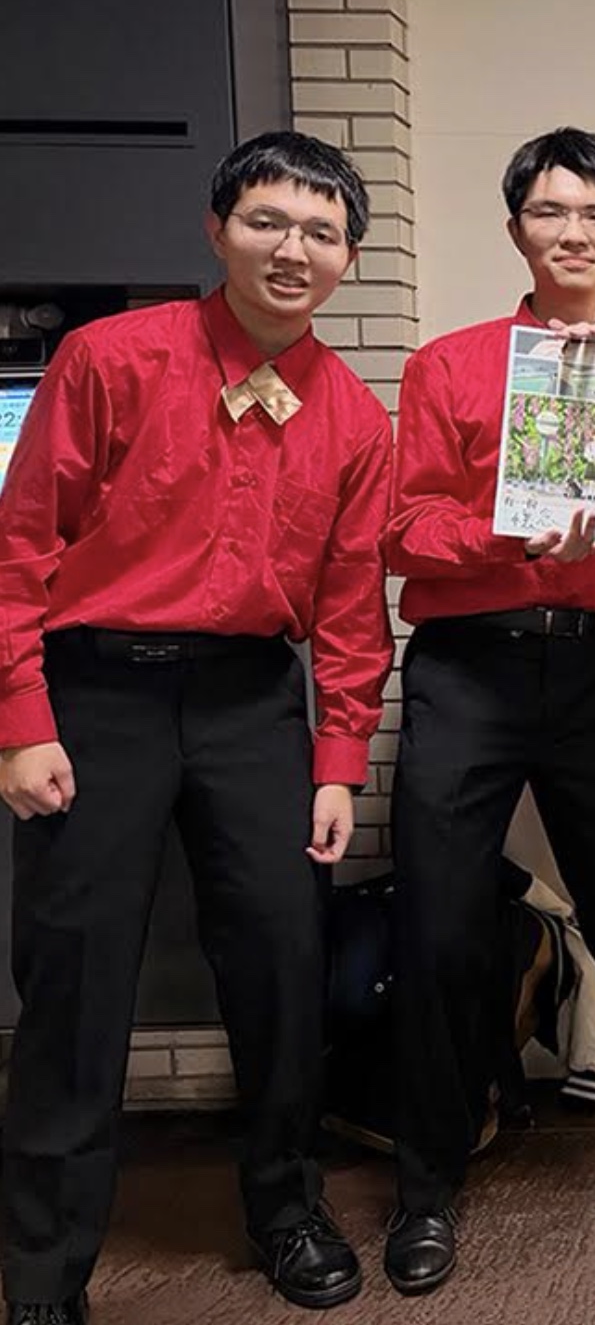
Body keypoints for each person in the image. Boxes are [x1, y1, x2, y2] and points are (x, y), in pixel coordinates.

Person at [0, 132, 395, 1321]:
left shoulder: (353, 416)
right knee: (75, 980)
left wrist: (337, 761)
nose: (293, 250)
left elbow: (349, 608)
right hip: (97, 696)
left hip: (251, 704)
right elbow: (22, 545)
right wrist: (21, 717)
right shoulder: (110, 359)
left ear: (348, 257)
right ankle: (44, 1267)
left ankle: (288, 1210)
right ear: (217, 229)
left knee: (280, 963)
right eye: (269, 221)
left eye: (322, 232)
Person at [381, 127, 595, 1296]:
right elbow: (404, 530)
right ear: (516, 227)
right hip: (466, 668)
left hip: (591, 668)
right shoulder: (449, 365)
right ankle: (427, 1178)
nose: (574, 232)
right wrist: (511, 534)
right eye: (551, 211)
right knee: (437, 924)